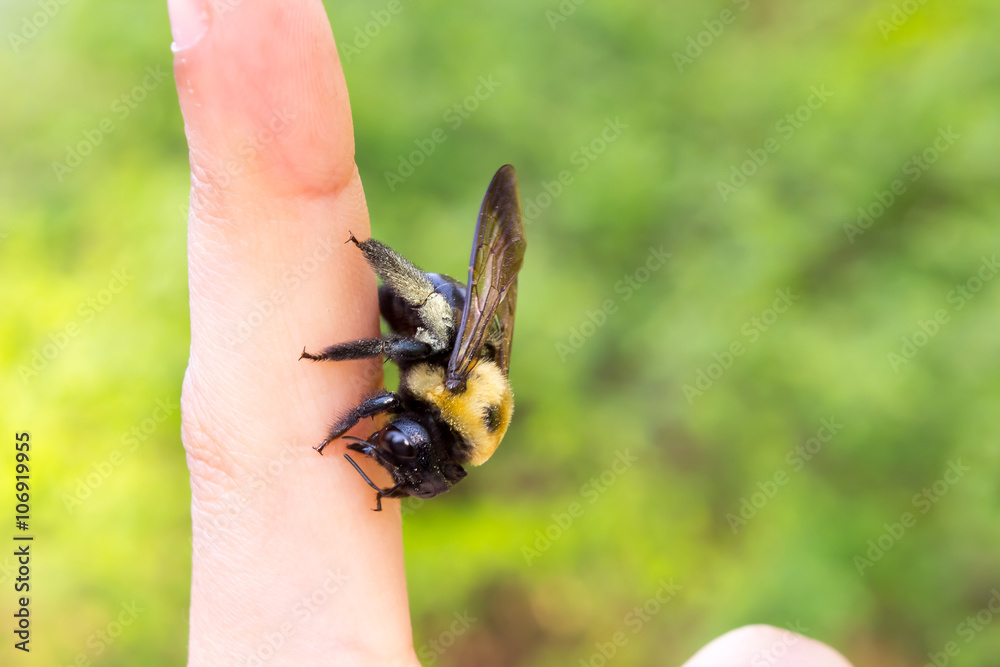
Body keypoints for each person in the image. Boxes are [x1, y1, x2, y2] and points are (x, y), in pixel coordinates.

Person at [166, 1, 854, 664]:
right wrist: (329, 342)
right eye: (402, 450)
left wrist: (379, 470)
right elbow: (399, 349)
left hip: (455, 345)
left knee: (417, 346)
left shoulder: (459, 412)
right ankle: (368, 250)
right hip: (445, 316)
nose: (386, 441)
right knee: (421, 326)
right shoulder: (454, 387)